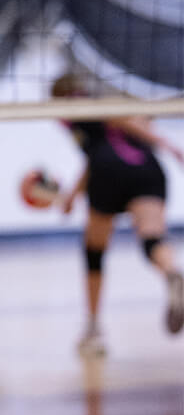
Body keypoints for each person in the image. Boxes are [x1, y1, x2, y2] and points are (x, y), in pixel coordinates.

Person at [51, 72, 184, 356]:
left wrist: (165, 142)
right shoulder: (98, 104)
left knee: (94, 253)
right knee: (151, 238)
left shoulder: (76, 109)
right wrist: (166, 146)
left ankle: (93, 328)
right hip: (147, 170)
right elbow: (107, 141)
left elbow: (114, 125)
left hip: (108, 173)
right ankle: (172, 274)